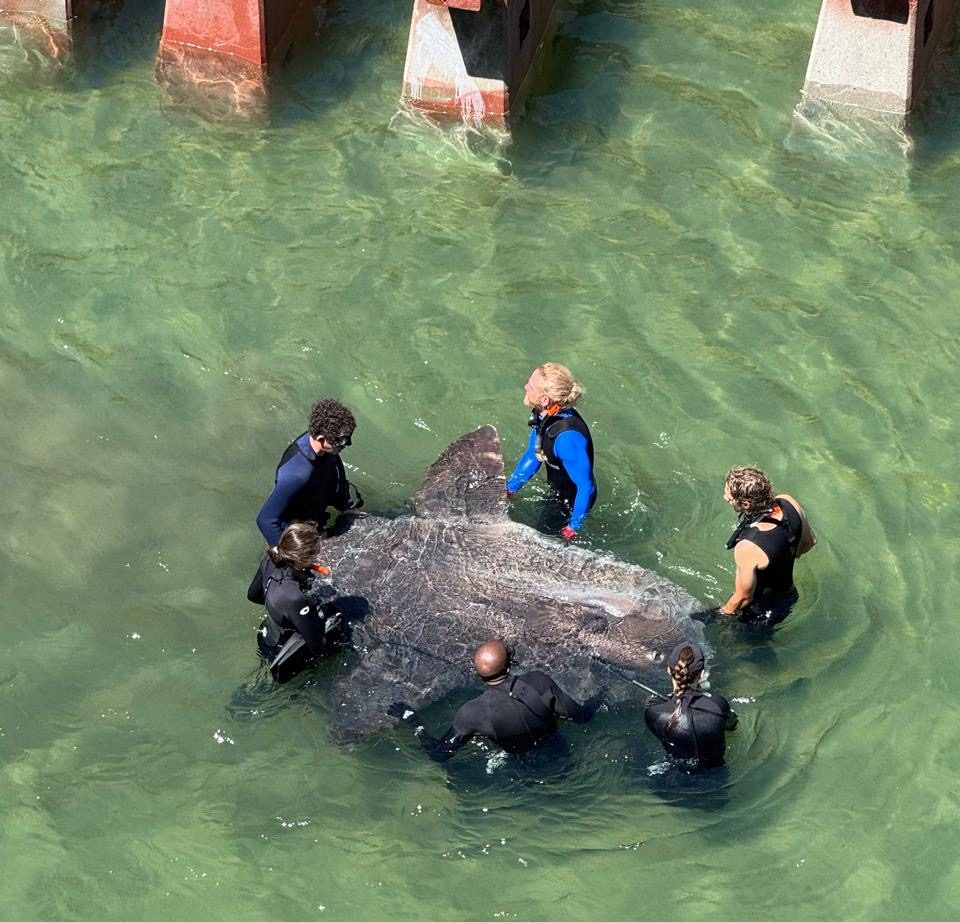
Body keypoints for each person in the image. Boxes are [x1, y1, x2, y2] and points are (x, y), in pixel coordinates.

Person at [388, 640, 602, 761]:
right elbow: (581, 717)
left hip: (520, 766)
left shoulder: (472, 713)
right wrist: (600, 695)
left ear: (478, 674)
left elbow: (439, 754)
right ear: (509, 667)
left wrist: (412, 720)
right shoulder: (539, 682)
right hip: (560, 753)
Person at [506, 363, 597, 541]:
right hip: (556, 488)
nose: (525, 386)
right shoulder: (544, 416)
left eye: (530, 386)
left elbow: (586, 487)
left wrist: (573, 527)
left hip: (573, 502)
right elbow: (534, 455)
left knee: (541, 539)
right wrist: (510, 489)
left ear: (545, 399)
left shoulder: (566, 439)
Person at [717, 466, 817, 627]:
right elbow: (810, 542)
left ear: (746, 504)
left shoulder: (747, 546)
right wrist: (783, 554)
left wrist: (720, 616)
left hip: (760, 613)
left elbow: (743, 598)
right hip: (789, 596)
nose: (724, 497)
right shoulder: (788, 502)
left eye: (729, 498)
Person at [256, 398, 362, 548]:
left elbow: (331, 478)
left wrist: (348, 506)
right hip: (298, 533)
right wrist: (287, 556)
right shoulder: (296, 474)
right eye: (343, 441)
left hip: (316, 515)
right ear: (321, 439)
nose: (348, 444)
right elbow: (266, 520)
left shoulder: (327, 452)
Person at [247, 522, 343, 682]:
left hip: (265, 636)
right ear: (303, 558)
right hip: (282, 650)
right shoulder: (294, 598)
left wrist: (278, 608)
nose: (318, 554)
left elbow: (253, 595)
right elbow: (317, 646)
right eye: (316, 552)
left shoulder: (270, 559)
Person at [644, 641, 737, 769]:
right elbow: (732, 726)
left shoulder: (654, 713)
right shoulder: (718, 704)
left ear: (669, 670)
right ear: (702, 673)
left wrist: (653, 703)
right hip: (718, 777)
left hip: (675, 777)